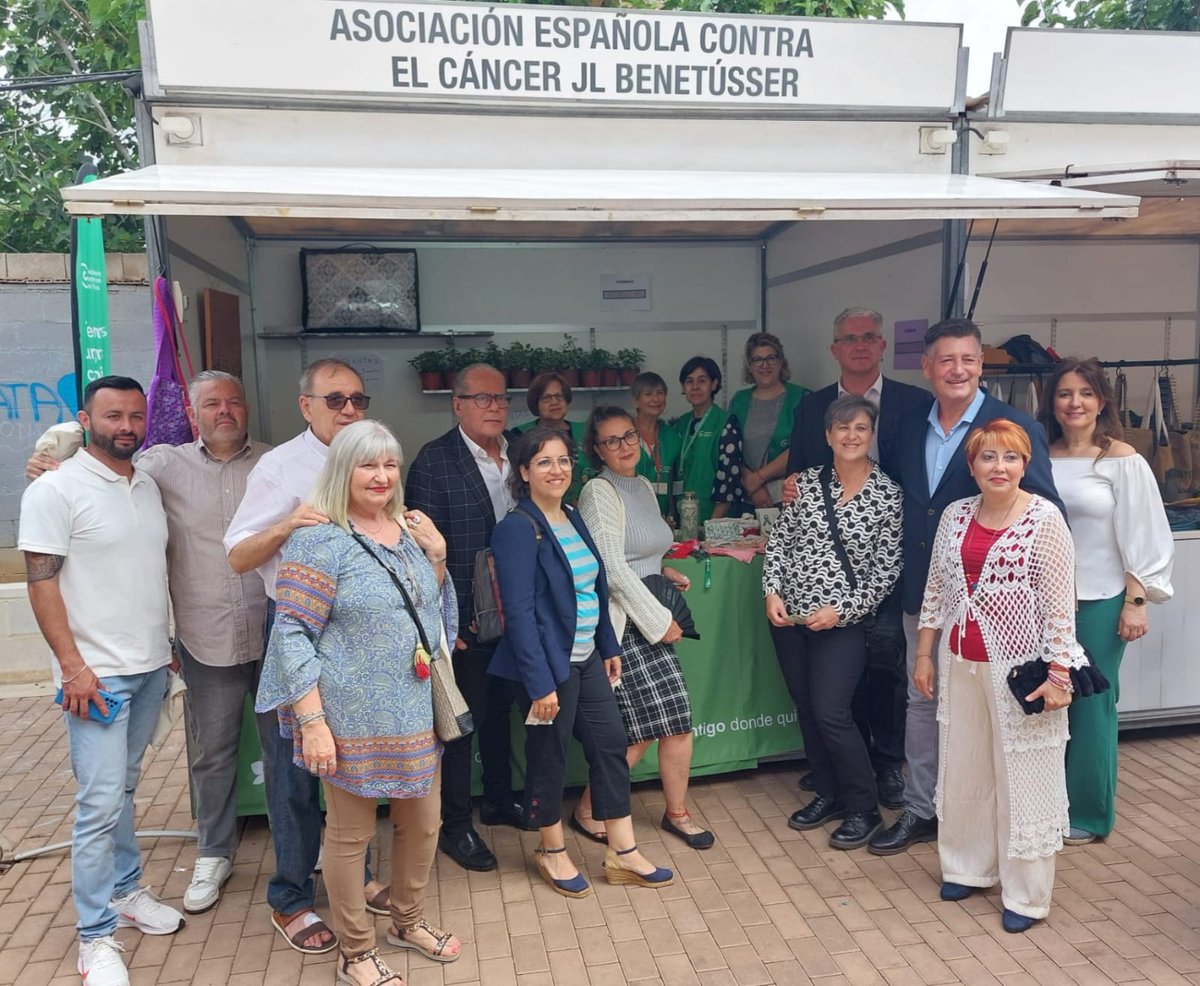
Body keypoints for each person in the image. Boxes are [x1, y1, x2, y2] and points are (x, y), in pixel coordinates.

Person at [26, 370, 272, 916]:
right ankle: (213, 852)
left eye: (234, 402)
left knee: (292, 749)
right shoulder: (161, 466)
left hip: (272, 632)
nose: (225, 412)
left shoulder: (268, 464)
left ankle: (307, 847)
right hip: (198, 640)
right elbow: (86, 478)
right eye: (212, 404)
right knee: (211, 754)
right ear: (193, 413)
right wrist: (48, 459)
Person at [256, 420, 462, 986]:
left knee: (424, 824)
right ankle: (357, 952)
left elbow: (434, 619)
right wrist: (313, 722)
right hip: (348, 717)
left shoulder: (409, 530)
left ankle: (407, 920)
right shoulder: (320, 540)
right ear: (343, 470)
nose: (381, 476)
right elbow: (291, 631)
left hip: (417, 709)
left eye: (390, 464)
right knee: (350, 837)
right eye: (368, 465)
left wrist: (439, 557)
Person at [868, 318, 1064, 857]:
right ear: (927, 367)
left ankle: (997, 816)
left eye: (969, 359)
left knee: (993, 708)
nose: (958, 369)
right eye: (946, 360)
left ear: (981, 365)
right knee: (921, 701)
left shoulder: (1011, 425)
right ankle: (921, 809)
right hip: (926, 597)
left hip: (999, 604)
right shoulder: (906, 424)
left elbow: (1048, 512)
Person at [19, 376, 184, 986]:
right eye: (113, 415)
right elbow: (42, 584)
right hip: (95, 676)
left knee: (123, 791)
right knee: (97, 803)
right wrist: (73, 669)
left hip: (148, 666)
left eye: (136, 416)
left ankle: (125, 890)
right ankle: (95, 938)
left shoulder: (145, 483)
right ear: (85, 420)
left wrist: (164, 647)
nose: (127, 426)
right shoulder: (55, 490)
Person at [224, 357, 383, 953]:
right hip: (298, 629)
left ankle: (356, 877)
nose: (349, 410)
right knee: (295, 768)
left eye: (358, 400)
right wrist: (288, 525)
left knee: (353, 767)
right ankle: (291, 896)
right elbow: (238, 554)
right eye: (336, 399)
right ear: (306, 406)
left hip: (362, 634)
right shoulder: (280, 466)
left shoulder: (372, 456)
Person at [914, 419, 1086, 933]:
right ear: (972, 466)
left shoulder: (1044, 519)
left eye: (1010, 457)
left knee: (1025, 776)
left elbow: (1061, 605)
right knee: (964, 764)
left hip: (1021, 669)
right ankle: (967, 865)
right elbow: (936, 590)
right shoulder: (955, 514)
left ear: (1024, 465)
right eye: (988, 457)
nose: (999, 467)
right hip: (959, 660)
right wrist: (924, 654)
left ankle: (1027, 895)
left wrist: (1060, 675)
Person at [489, 427, 674, 895]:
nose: (557, 470)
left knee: (611, 744)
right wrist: (539, 684)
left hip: (587, 656)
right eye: (545, 462)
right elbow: (520, 613)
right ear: (525, 472)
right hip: (547, 667)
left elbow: (593, 586)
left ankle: (623, 851)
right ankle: (551, 852)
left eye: (564, 461)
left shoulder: (572, 515)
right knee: (548, 756)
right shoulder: (516, 528)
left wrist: (609, 647)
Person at [783, 307, 930, 810]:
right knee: (824, 697)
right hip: (817, 585)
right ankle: (839, 773)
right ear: (835, 349)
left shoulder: (916, 403)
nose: (861, 345)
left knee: (886, 673)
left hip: (884, 565)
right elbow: (800, 478)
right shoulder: (812, 407)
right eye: (850, 338)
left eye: (870, 337)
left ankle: (886, 767)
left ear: (883, 344)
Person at [1043, 358, 1174, 845]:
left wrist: (1137, 601)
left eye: (1085, 393)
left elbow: (1146, 534)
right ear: (1051, 403)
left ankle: (1090, 814)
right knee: (1046, 701)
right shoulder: (1039, 453)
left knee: (1092, 704)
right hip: (1043, 602)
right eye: (1064, 393)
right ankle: (1047, 803)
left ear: (1102, 401)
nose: (1074, 403)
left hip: (1100, 600)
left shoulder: (1122, 460)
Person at [764, 396, 903, 850]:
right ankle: (830, 792)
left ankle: (864, 807)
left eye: (860, 428)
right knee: (806, 706)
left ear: (871, 434)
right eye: (842, 429)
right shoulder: (804, 483)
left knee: (832, 711)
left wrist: (842, 611)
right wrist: (772, 592)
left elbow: (885, 571)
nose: (850, 436)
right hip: (792, 618)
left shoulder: (887, 494)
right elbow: (780, 543)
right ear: (827, 436)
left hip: (841, 624)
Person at [576, 405, 715, 849]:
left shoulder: (640, 485)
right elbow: (612, 570)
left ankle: (677, 812)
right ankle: (588, 809)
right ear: (596, 450)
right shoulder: (598, 492)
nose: (624, 446)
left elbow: (640, 554)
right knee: (637, 732)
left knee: (676, 721)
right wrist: (660, 623)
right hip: (625, 625)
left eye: (629, 435)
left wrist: (664, 571)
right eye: (612, 440)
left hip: (648, 612)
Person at [405, 363, 521, 873]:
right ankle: (456, 826)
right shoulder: (434, 461)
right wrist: (445, 625)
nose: (495, 407)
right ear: (458, 404)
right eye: (482, 399)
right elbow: (422, 551)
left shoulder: (520, 451)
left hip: (517, 613)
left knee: (501, 717)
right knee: (460, 726)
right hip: (465, 622)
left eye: (501, 398)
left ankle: (498, 800)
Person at [730, 332, 808, 508]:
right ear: (749, 366)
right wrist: (753, 486)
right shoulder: (738, 401)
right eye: (757, 359)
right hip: (747, 497)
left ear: (781, 362)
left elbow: (802, 447)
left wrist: (759, 478)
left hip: (789, 496)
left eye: (771, 358)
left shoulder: (802, 398)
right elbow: (730, 449)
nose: (764, 365)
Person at [672, 356, 744, 525]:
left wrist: (713, 524)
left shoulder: (725, 422)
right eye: (689, 381)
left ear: (714, 384)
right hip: (685, 516)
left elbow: (729, 477)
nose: (695, 387)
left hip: (715, 518)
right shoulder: (681, 424)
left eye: (702, 381)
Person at [509, 370, 588, 503]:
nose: (554, 402)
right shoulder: (520, 435)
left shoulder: (585, 432)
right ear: (536, 403)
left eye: (559, 396)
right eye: (546, 398)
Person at [631, 371, 682, 523]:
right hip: (632, 518)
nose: (655, 399)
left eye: (660, 393)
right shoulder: (625, 434)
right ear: (636, 401)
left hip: (664, 519)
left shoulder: (672, 436)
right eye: (648, 394)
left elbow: (676, 482)